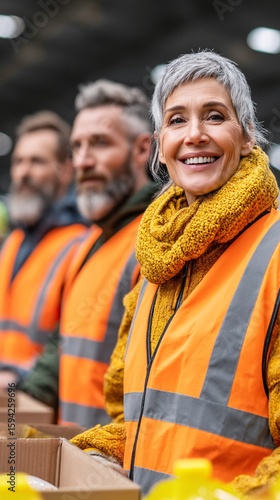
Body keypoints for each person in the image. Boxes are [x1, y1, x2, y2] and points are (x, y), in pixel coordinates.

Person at [69, 50, 280, 496]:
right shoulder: (156, 261)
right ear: (161, 144)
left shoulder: (275, 252)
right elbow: (135, 418)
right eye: (177, 120)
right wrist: (95, 458)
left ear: (246, 138)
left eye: (215, 116)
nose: (195, 135)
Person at [19, 79, 157, 426]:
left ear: (142, 149)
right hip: (75, 452)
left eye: (99, 144)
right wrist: (24, 396)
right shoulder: (89, 242)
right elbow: (65, 339)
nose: (83, 161)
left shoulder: (157, 241)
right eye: (76, 147)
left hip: (117, 463)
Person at [0, 111, 88, 390]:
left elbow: (75, 338)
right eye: (19, 161)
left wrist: (23, 380)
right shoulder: (13, 242)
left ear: (66, 170)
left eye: (36, 161)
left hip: (39, 398)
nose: (24, 172)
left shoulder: (79, 243)